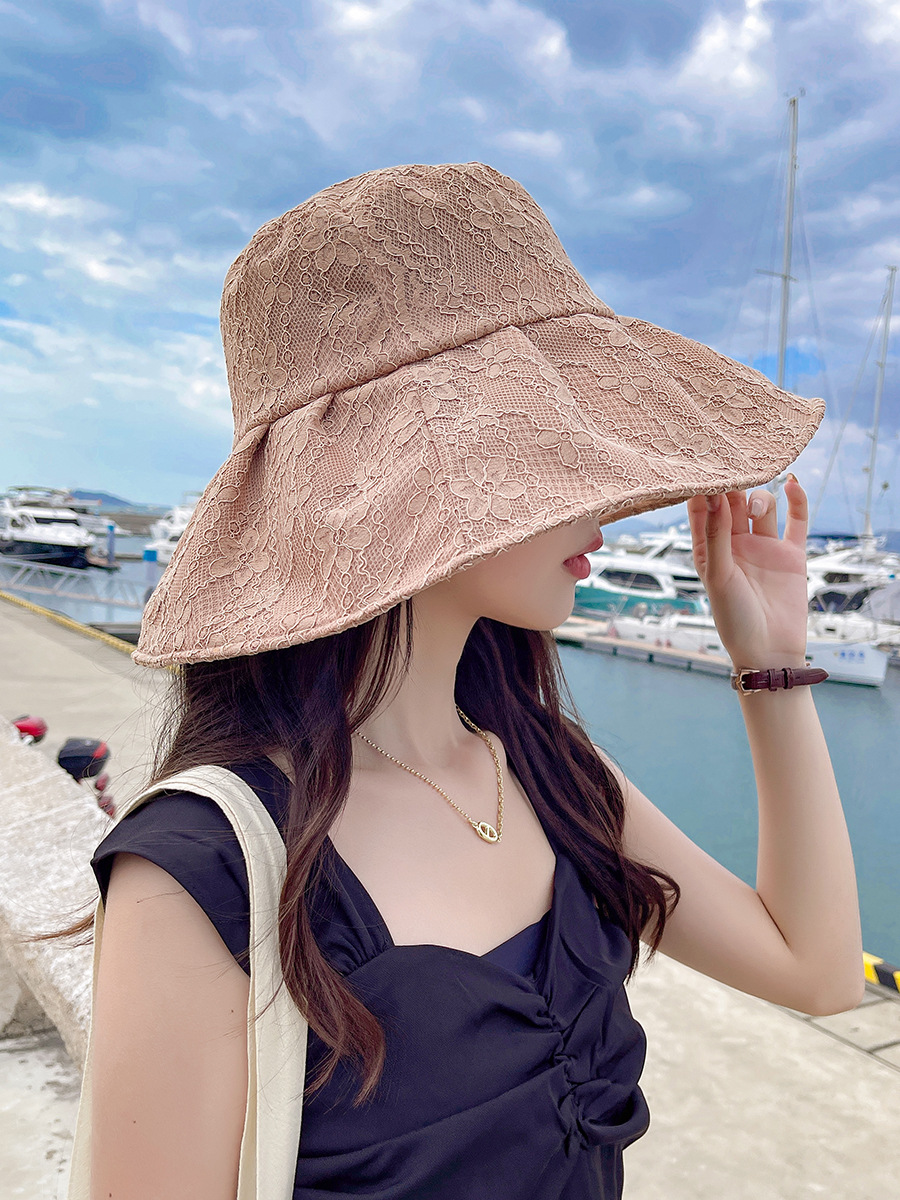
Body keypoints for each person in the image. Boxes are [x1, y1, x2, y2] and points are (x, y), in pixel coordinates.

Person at [84, 163, 862, 1200]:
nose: (604, 498)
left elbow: (817, 970)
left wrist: (773, 663)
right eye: (547, 445)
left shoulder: (545, 769)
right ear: (407, 482)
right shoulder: (204, 870)